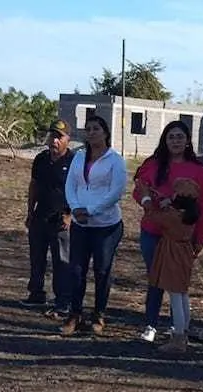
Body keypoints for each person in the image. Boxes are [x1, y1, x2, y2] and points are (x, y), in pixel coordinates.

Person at [132, 121, 203, 342]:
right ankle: (151, 323)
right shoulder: (153, 164)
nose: (175, 141)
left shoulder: (199, 170)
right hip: (153, 231)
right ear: (165, 140)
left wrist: (200, 238)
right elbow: (139, 189)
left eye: (180, 136)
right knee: (155, 278)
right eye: (171, 137)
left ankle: (180, 327)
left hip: (180, 237)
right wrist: (147, 200)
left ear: (187, 140)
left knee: (177, 282)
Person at [62, 114, 126, 336]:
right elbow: (70, 185)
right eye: (88, 129)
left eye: (96, 129)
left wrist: (90, 211)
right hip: (81, 224)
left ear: (106, 133)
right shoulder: (79, 157)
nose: (91, 133)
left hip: (106, 226)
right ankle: (75, 314)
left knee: (102, 270)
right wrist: (75, 208)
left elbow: (116, 192)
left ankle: (98, 315)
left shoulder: (115, 160)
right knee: (77, 270)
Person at [139, 177, 203, 354]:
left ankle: (178, 337)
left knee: (175, 295)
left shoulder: (173, 216)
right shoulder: (188, 215)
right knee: (182, 293)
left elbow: (152, 215)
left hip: (171, 254)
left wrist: (146, 198)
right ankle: (185, 331)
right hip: (184, 254)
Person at [21, 119, 73, 312]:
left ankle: (63, 301)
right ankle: (36, 294)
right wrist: (29, 212)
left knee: (61, 262)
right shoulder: (41, 159)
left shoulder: (74, 161)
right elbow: (33, 186)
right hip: (39, 216)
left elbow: (80, 191)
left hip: (61, 219)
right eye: (52, 136)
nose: (54, 141)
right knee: (37, 258)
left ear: (68, 139)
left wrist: (70, 215)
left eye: (59, 137)